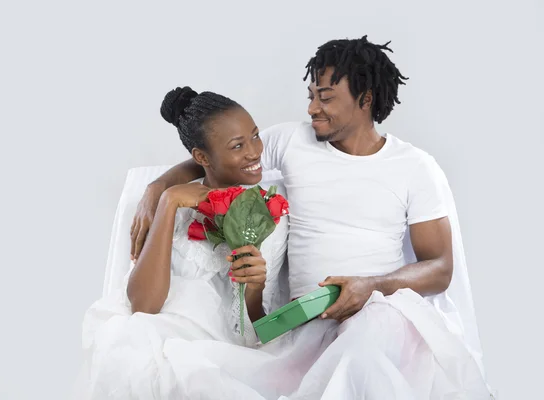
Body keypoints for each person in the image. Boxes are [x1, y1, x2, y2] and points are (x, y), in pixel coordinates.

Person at [130, 36, 494, 399]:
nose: (312, 108)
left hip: (380, 312)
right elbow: (220, 156)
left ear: (365, 100)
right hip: (307, 325)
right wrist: (158, 188)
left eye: (326, 97)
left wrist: (371, 286)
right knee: (212, 379)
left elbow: (440, 268)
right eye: (311, 96)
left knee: (360, 353)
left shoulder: (415, 167)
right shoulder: (291, 141)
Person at [75, 87, 289, 399]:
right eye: (237, 145)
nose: (255, 151)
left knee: (188, 372)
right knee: (135, 345)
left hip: (221, 347)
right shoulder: (170, 205)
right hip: (152, 335)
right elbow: (144, 307)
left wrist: (254, 288)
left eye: (255, 136)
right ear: (201, 157)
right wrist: (169, 200)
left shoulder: (270, 213)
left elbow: (253, 334)